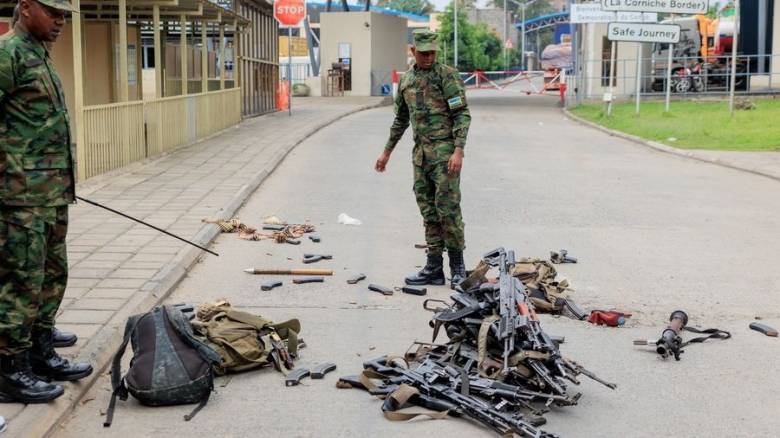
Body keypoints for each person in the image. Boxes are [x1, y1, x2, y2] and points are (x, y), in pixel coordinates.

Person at [0, 0, 93, 404]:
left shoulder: (37, 52)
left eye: (65, 15)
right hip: (19, 197)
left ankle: (39, 351)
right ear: (24, 7)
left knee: (51, 274)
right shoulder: (7, 54)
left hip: (49, 193)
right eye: (53, 12)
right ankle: (9, 369)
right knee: (20, 282)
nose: (60, 21)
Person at [375, 30, 471, 290]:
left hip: (445, 156)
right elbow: (400, 120)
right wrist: (387, 152)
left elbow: (462, 114)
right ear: (413, 51)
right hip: (421, 157)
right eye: (423, 52)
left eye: (432, 53)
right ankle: (433, 267)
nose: (428, 57)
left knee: (448, 211)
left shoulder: (447, 76)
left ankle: (458, 268)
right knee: (428, 211)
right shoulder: (406, 81)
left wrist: (458, 150)